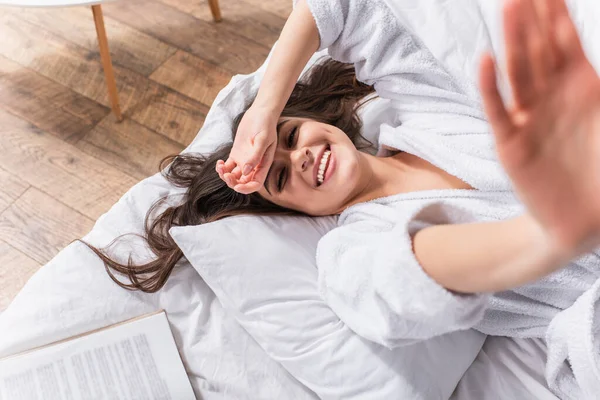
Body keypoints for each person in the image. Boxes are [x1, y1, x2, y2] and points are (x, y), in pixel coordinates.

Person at [85, 0, 600, 393]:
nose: (301, 156)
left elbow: (345, 7)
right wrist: (547, 234)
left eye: (291, 137)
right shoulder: (352, 250)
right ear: (287, 212)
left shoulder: (423, 105)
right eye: (281, 180)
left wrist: (263, 111)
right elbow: (398, 283)